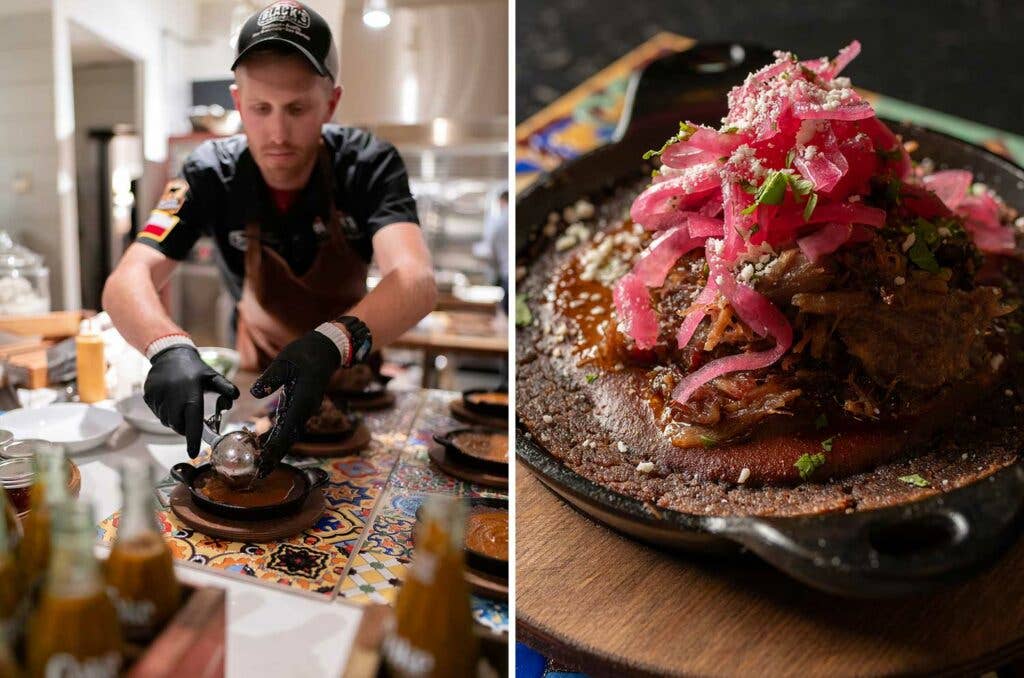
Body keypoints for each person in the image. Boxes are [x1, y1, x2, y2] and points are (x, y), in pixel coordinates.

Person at [102, 1, 437, 473]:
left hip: (347, 375)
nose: (277, 133)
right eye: (261, 109)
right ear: (239, 103)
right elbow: (127, 277)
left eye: (297, 108)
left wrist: (331, 343)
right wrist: (167, 348)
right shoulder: (207, 172)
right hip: (256, 381)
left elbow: (417, 280)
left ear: (331, 104)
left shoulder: (369, 164)